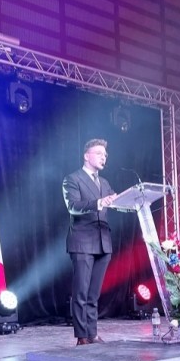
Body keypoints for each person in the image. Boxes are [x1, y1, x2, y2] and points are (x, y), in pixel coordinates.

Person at [63, 139, 118, 346]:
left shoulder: (104, 182)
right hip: (82, 242)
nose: (104, 157)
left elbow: (115, 202)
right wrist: (98, 203)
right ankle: (81, 336)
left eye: (105, 154)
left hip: (103, 242)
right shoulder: (72, 179)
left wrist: (127, 200)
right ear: (87, 156)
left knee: (93, 294)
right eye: (99, 153)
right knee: (81, 292)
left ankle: (92, 333)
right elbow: (73, 206)